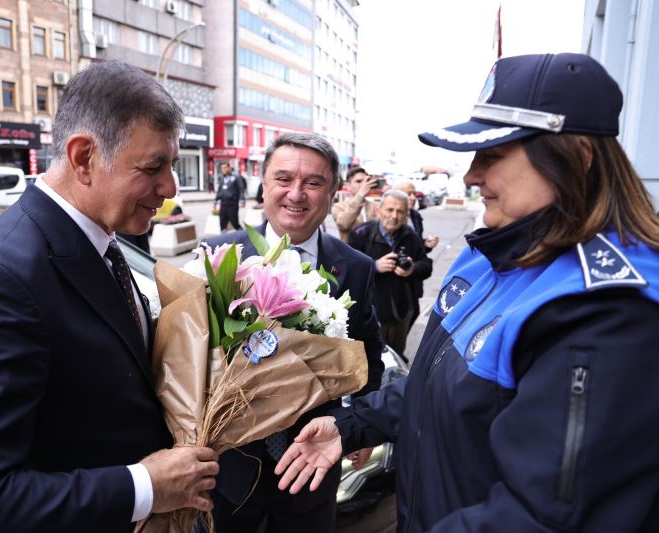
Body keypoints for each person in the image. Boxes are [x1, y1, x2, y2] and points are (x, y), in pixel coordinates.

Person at [275, 53, 659, 532]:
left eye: (492, 155)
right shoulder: (488, 257)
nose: (471, 176)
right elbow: (434, 387)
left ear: (576, 158)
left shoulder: (606, 310)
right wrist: (350, 423)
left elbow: (543, 516)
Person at [0, 61, 219, 532]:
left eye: (172, 165)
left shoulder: (107, 243)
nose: (171, 188)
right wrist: (146, 486)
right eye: (154, 166)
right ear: (84, 158)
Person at [202, 133, 385, 533]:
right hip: (227, 468)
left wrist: (364, 422)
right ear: (264, 184)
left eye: (313, 183)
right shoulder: (219, 258)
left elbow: (369, 350)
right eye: (283, 179)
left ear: (334, 191)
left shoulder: (355, 268)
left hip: (313, 462)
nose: (296, 195)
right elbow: (187, 355)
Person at [348, 190, 431, 356]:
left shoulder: (411, 236)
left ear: (406, 214)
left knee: (395, 359)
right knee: (366, 362)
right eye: (389, 210)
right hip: (368, 314)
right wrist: (374, 266)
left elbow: (427, 265)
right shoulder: (361, 234)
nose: (394, 216)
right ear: (379, 210)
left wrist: (412, 269)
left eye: (400, 211)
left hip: (399, 314)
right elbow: (348, 269)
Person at [393, 180, 438, 329]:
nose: (413, 197)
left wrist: (426, 245)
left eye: (414, 193)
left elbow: (418, 251)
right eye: (408, 193)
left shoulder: (416, 216)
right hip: (392, 287)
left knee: (412, 315)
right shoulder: (387, 220)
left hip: (413, 281)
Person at [331, 166, 383, 241]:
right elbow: (344, 225)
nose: (363, 184)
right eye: (358, 181)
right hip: (350, 251)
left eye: (366, 181)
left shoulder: (376, 206)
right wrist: (360, 195)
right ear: (348, 186)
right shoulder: (339, 206)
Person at [213, 162, 246, 232]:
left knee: (234, 222)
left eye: (224, 168)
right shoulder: (222, 179)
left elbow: (241, 189)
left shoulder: (236, 177)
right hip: (223, 204)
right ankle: (223, 239)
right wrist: (216, 201)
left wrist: (242, 199)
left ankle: (243, 234)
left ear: (229, 168)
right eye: (222, 168)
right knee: (222, 223)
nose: (223, 170)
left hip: (232, 204)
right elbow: (219, 191)